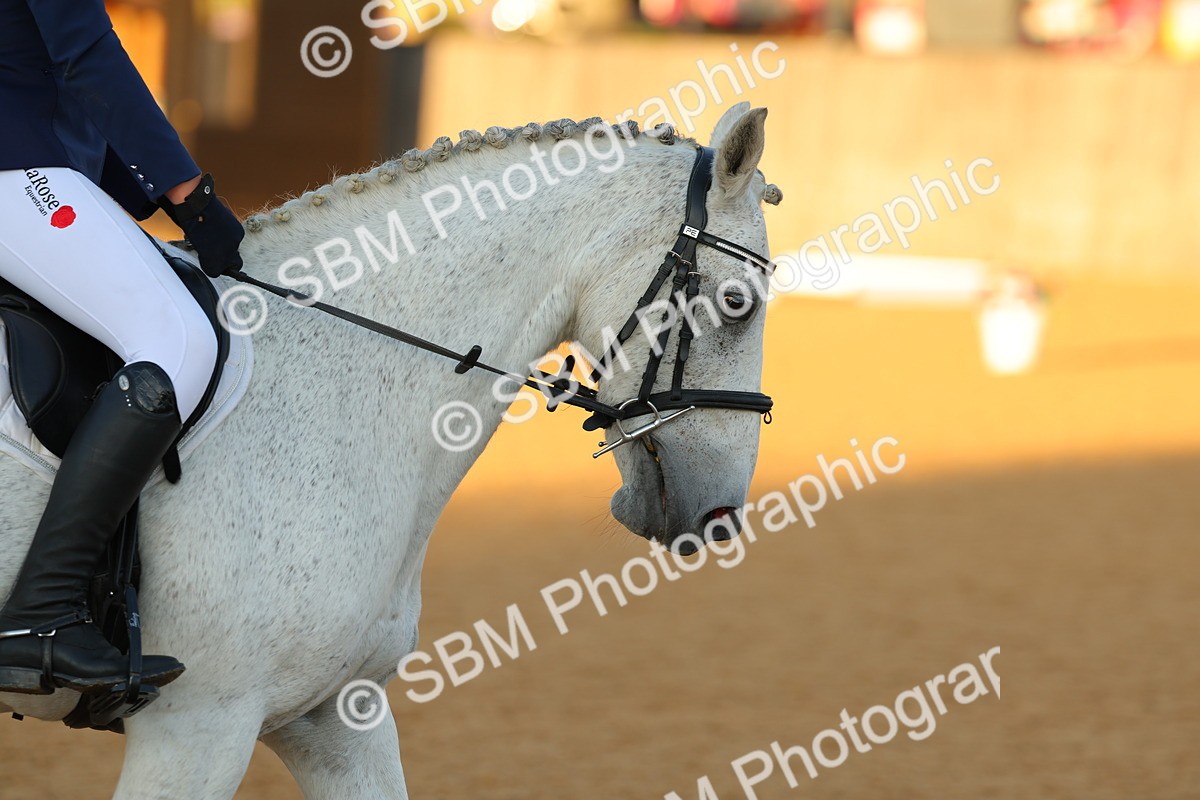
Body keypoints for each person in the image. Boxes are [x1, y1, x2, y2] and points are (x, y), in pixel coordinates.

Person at [0, 0, 244, 695]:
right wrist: (189, 195)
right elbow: (84, 53)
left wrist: (149, 194)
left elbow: (46, 68)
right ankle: (40, 613)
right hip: (15, 164)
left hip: (36, 156)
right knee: (178, 341)